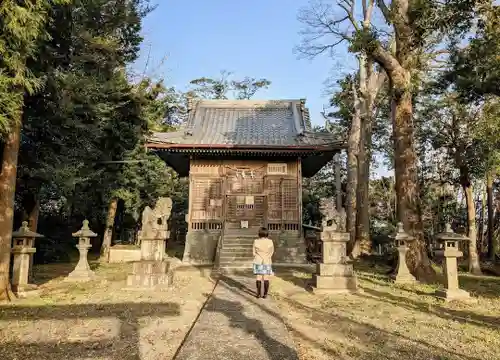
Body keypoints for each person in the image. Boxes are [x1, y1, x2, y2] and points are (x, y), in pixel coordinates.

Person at [252, 227, 274, 298]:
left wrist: (258, 256)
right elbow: (272, 252)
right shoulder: (270, 241)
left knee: (258, 277)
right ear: (267, 233)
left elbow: (253, 253)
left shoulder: (256, 241)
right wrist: (267, 257)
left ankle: (258, 294)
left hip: (258, 260)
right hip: (267, 261)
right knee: (266, 278)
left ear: (259, 233)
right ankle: (265, 294)